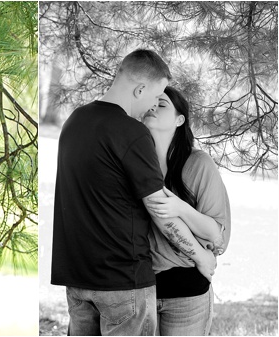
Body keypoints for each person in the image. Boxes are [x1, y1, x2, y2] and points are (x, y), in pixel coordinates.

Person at [50, 49, 216, 336]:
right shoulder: (130, 131)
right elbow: (159, 209)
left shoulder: (74, 121)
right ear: (140, 89)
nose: (153, 106)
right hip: (121, 282)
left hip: (76, 280)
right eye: (156, 96)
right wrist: (201, 257)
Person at [141, 87, 231, 335]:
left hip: (187, 293)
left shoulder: (199, 163)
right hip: (137, 291)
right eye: (151, 103)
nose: (153, 108)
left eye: (162, 105)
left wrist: (180, 208)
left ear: (180, 120)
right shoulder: (133, 161)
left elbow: (216, 233)